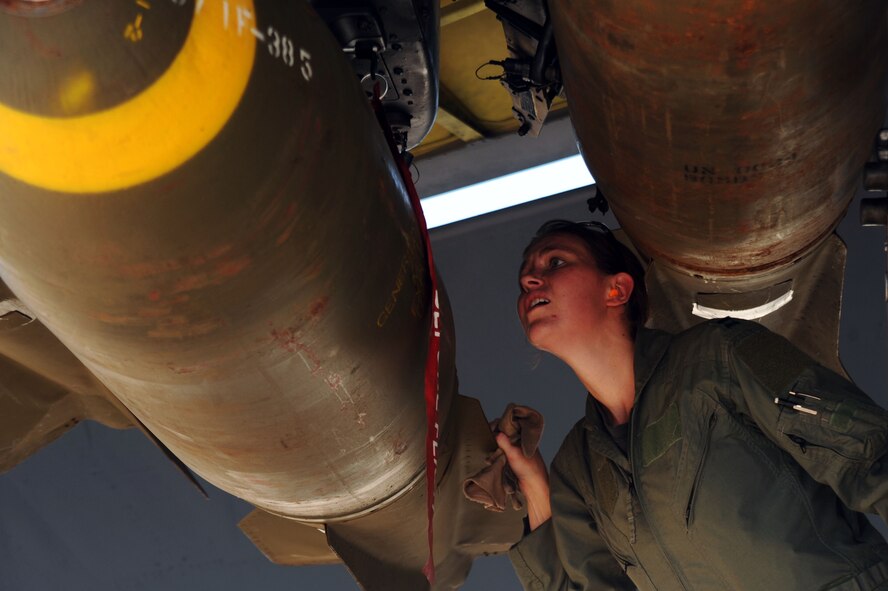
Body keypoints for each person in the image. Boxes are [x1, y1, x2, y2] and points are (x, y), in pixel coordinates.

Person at [498, 219, 888, 590]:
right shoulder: (578, 468)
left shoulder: (722, 355)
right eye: (523, 279)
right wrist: (533, 484)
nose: (529, 280)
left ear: (616, 290)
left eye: (556, 262)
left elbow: (868, 452)